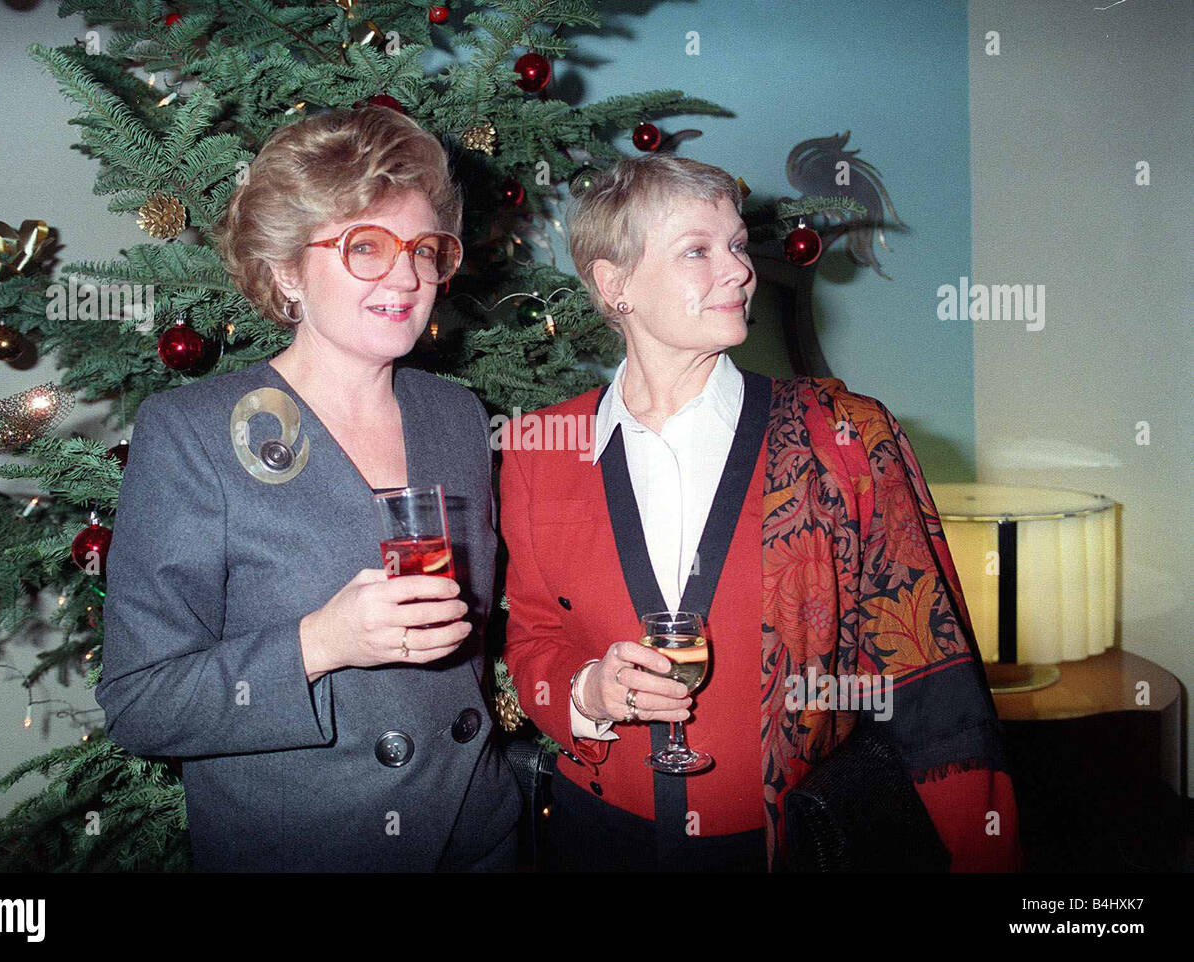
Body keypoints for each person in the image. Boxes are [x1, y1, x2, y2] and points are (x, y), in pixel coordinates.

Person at [500, 153, 1022, 872]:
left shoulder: (841, 436)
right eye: (697, 250)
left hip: (789, 846)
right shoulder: (538, 446)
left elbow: (937, 692)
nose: (741, 270)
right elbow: (531, 638)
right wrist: (588, 690)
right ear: (614, 285)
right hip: (595, 840)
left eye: (738, 245)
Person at [97, 106, 521, 871]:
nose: (408, 274)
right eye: (367, 246)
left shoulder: (457, 417)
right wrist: (321, 644)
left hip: (476, 831)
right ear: (288, 268)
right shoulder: (193, 432)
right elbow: (142, 704)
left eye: (426, 249)